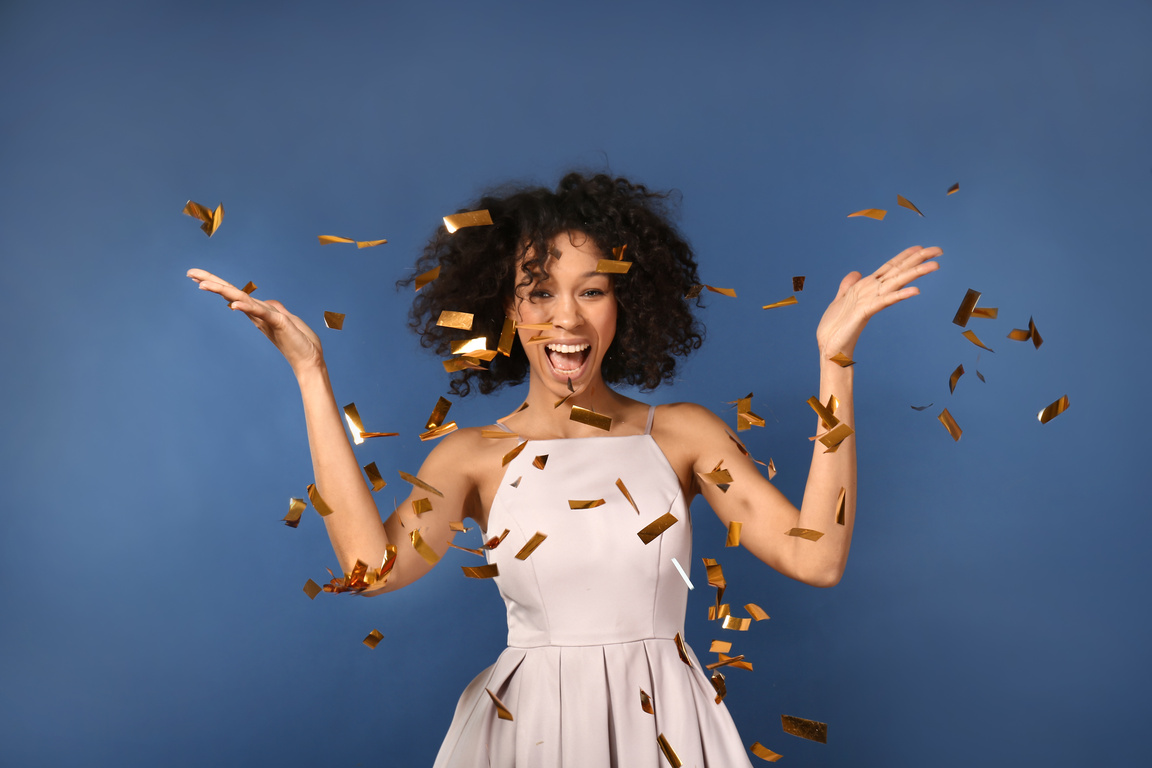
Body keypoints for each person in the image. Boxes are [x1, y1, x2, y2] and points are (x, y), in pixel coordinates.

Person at [188, 172, 940, 766]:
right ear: (506, 310)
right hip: (527, 738)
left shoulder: (681, 434)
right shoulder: (471, 455)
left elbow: (816, 556)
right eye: (539, 292)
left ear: (625, 303)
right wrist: (311, 374)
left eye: (592, 290)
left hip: (668, 734)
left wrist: (834, 360)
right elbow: (367, 567)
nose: (568, 319)